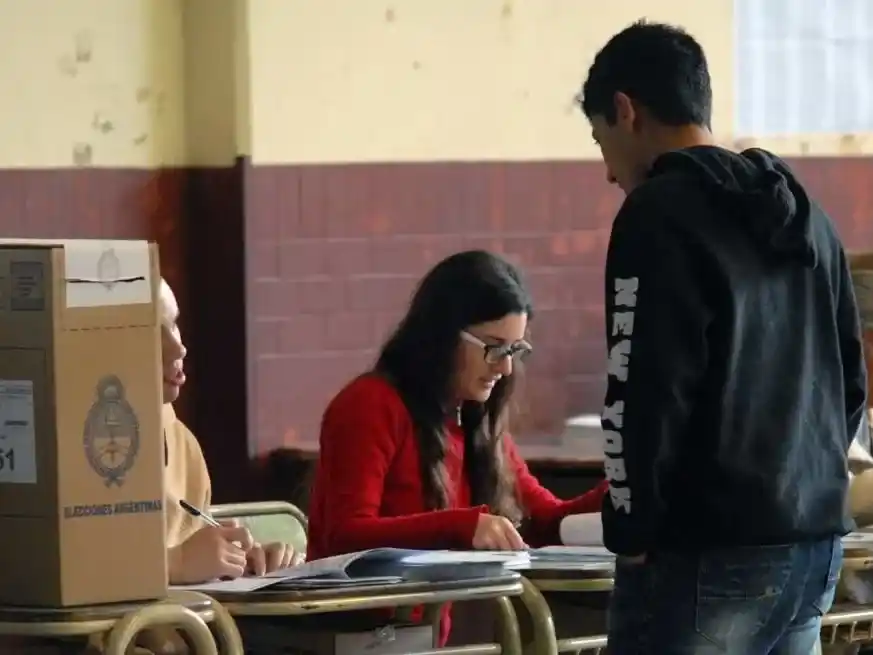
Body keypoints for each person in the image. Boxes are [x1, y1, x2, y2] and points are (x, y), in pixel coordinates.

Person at [577, 20, 867, 655]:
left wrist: (631, 529)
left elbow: (642, 387)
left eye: (601, 141)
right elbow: (850, 380)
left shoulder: (657, 214)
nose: (607, 172)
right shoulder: (809, 216)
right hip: (814, 542)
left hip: (707, 553)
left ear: (627, 111)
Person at [307, 250, 609, 647]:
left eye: (516, 351)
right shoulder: (370, 403)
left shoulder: (475, 420)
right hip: (348, 636)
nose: (505, 369)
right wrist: (463, 526)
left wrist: (628, 486)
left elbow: (546, 522)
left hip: (420, 639)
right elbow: (345, 536)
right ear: (442, 336)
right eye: (495, 348)